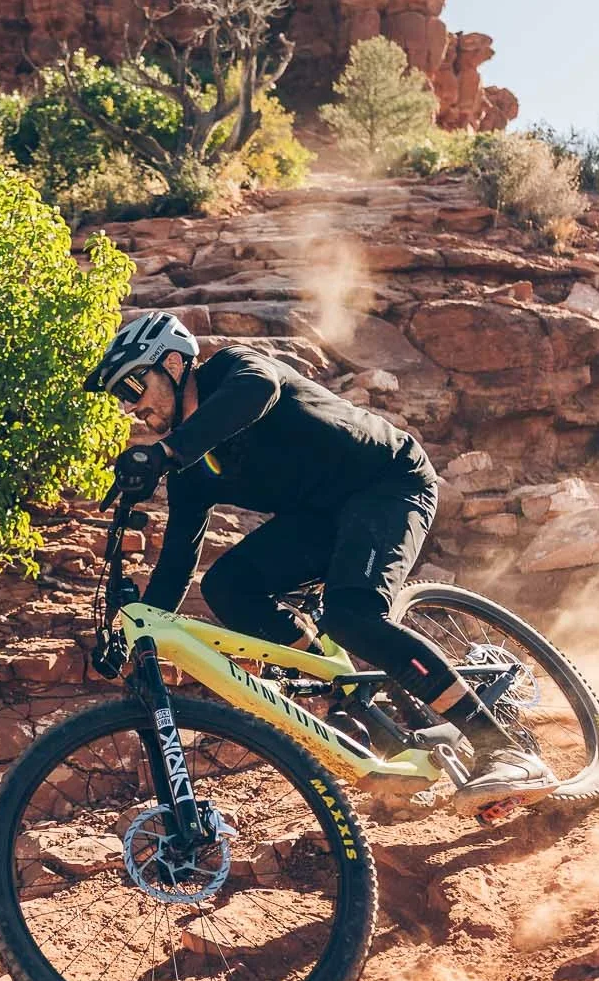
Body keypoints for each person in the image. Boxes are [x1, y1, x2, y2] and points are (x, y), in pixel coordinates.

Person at [85, 312, 556, 803]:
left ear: (174, 363)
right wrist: (135, 631)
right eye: (122, 396)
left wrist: (165, 453)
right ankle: (348, 691)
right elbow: (177, 563)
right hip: (320, 517)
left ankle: (502, 747)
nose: (130, 405)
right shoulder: (191, 472)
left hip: (386, 484)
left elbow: (257, 391)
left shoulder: (232, 369)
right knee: (227, 586)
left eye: (133, 386)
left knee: (351, 616)